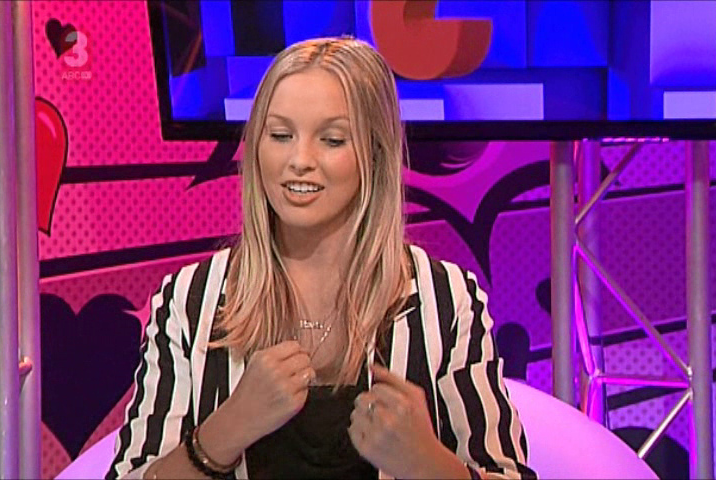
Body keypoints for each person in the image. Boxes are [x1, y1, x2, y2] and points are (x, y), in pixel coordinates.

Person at [107, 36, 535, 479]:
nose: (299, 160)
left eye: (331, 139)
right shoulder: (190, 300)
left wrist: (426, 463)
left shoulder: (444, 298)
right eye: (280, 135)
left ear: (375, 154)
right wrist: (227, 430)